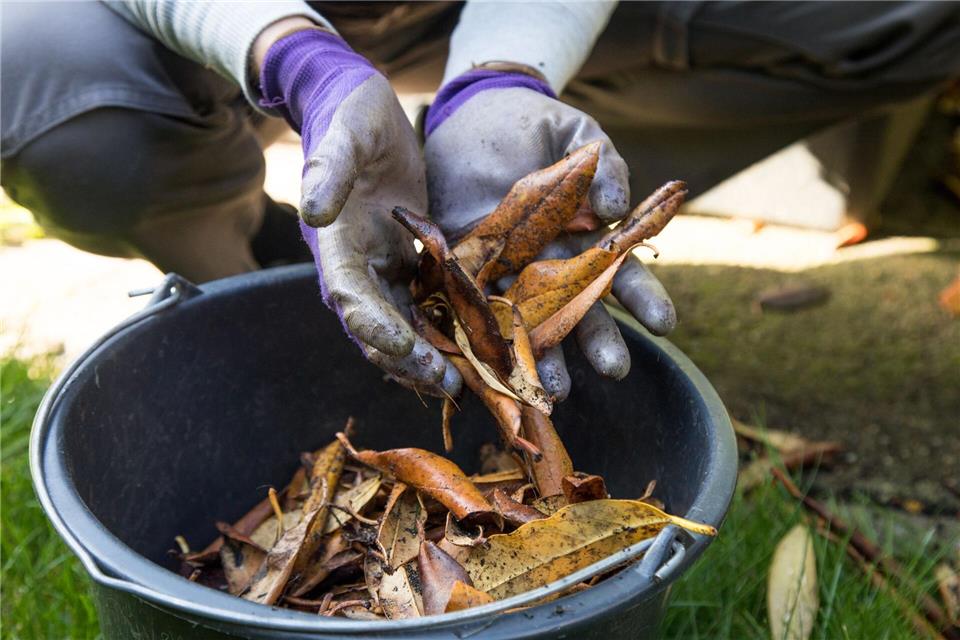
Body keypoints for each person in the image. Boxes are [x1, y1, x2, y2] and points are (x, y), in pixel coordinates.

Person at [3, 2, 959, 400]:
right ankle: (261, 268)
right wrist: (296, 56)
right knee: (33, 70)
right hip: (212, 27)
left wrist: (504, 74)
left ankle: (524, 186)